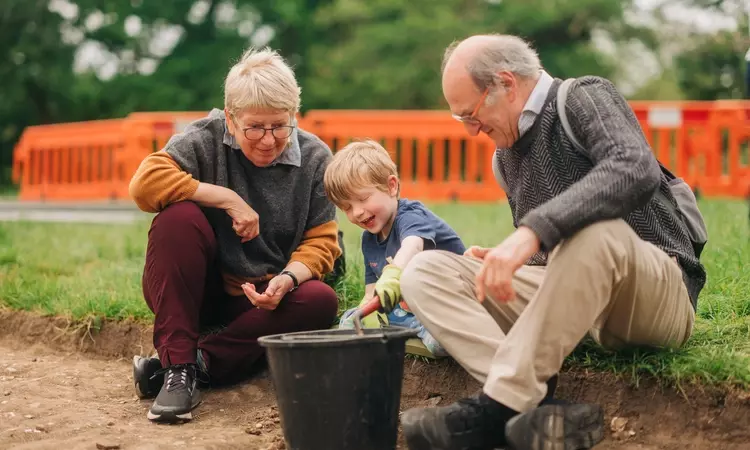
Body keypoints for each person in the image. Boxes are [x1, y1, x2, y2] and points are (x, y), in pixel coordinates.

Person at [398, 34, 707, 450]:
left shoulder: (583, 96)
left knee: (595, 229)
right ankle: (537, 404)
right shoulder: (504, 157)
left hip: (654, 294)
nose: (471, 131)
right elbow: (562, 258)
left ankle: (495, 411)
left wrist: (531, 233)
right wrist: (516, 259)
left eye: (470, 114)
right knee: (424, 271)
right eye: (461, 120)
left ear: (506, 83)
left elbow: (634, 169)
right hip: (584, 305)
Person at [127, 47, 342, 423]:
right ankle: (177, 370)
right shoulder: (203, 138)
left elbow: (323, 242)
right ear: (230, 118)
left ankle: (194, 364)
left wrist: (288, 280)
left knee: (320, 299)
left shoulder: (315, 157)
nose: (268, 139)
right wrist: (225, 197)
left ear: (294, 116)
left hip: (263, 299)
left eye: (280, 125)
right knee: (177, 217)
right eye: (254, 127)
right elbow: (144, 185)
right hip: (195, 290)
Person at [323, 139, 465, 358]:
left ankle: (441, 331)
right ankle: (404, 327)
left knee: (440, 342)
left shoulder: (410, 216)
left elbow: (413, 245)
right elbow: (372, 289)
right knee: (349, 321)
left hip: (447, 299)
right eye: (347, 208)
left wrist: (393, 275)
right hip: (408, 309)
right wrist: (366, 309)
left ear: (391, 186)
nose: (357, 212)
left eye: (362, 199)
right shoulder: (369, 239)